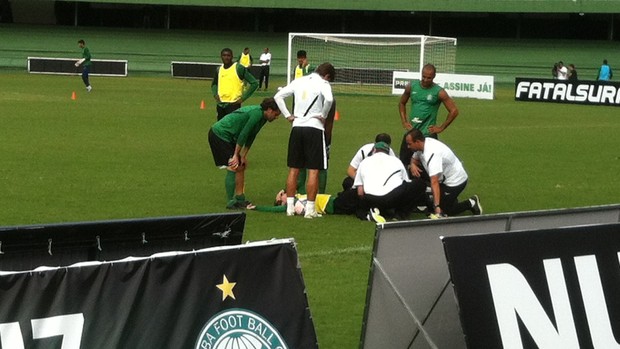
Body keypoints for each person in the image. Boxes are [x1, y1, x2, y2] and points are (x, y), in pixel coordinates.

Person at [274, 62, 335, 219]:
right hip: (314, 128)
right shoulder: (323, 83)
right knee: (313, 170)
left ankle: (289, 208)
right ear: (327, 76)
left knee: (293, 169)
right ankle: (309, 209)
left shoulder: (299, 81)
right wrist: (323, 114)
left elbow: (278, 96)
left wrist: (288, 115)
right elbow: (328, 100)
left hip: (297, 127)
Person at [208, 97, 281, 209]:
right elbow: (244, 134)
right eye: (276, 114)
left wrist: (243, 156)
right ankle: (230, 201)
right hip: (220, 134)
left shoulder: (263, 118)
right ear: (270, 110)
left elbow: (252, 135)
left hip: (230, 137)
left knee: (241, 165)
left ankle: (240, 198)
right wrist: (236, 155)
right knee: (233, 165)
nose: (276, 118)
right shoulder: (256, 114)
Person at [404, 128, 482, 218]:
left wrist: (437, 207)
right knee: (411, 170)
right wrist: (413, 164)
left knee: (445, 210)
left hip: (455, 181)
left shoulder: (432, 154)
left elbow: (434, 181)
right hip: (442, 177)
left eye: (409, 144)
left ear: (417, 142)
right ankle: (425, 201)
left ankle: (471, 202)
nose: (408, 147)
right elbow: (414, 159)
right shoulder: (423, 144)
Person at [398, 63, 459, 167]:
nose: (425, 80)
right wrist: (404, 121)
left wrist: (441, 127)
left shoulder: (439, 92)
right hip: (411, 134)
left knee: (429, 166)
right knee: (403, 164)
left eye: (429, 78)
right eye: (424, 77)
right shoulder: (411, 87)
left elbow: (454, 111)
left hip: (428, 136)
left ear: (434, 77)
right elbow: (401, 103)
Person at [354, 141, 426, 222]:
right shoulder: (396, 160)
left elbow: (360, 192)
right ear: (388, 152)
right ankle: (400, 214)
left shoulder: (364, 162)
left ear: (374, 150)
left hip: (370, 199)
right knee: (420, 184)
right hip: (392, 198)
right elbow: (406, 182)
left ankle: (372, 211)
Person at [211, 48, 258, 121]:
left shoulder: (238, 68)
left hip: (233, 104)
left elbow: (254, 83)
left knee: (233, 128)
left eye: (228, 55)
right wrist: (215, 94)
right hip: (220, 104)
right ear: (221, 57)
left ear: (232, 57)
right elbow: (214, 84)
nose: (226, 57)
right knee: (220, 129)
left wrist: (243, 98)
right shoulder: (218, 69)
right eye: (224, 55)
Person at [250, 188, 359, 217]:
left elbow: (297, 183)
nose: (285, 193)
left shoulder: (298, 195)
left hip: (334, 202)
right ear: (281, 201)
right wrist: (256, 207)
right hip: (332, 205)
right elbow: (272, 209)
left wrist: (283, 190)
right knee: (356, 192)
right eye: (282, 195)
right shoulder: (289, 205)